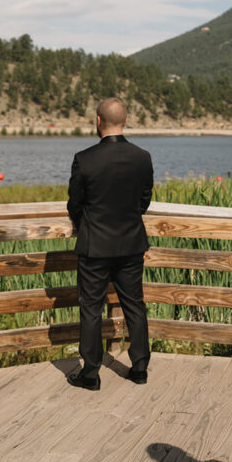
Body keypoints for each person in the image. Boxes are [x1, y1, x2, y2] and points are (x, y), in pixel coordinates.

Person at [66, 98, 153, 391]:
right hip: (130, 243)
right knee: (134, 305)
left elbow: (75, 203)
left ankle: (90, 373)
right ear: (125, 122)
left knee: (91, 308)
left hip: (94, 246)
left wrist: (81, 222)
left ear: (98, 121)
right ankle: (139, 367)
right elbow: (144, 201)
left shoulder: (85, 159)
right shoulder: (142, 157)